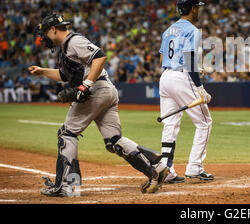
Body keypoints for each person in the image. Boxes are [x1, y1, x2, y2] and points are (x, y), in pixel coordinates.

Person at [29, 13, 168, 197]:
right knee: (114, 141)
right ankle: (156, 168)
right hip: (106, 91)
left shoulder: (73, 41)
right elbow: (65, 76)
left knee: (67, 134)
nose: (44, 38)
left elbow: (100, 57)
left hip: (95, 91)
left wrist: (87, 84)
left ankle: (65, 186)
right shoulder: (67, 47)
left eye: (45, 33)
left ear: (53, 29)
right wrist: (43, 72)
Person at [158, 0, 214, 184]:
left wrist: (195, 69)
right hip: (181, 77)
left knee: (170, 123)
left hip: (165, 77)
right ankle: (195, 168)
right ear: (192, 9)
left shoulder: (167, 31)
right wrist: (199, 86)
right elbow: (189, 58)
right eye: (197, 7)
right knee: (204, 122)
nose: (198, 9)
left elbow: (162, 59)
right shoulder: (193, 30)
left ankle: (167, 169)